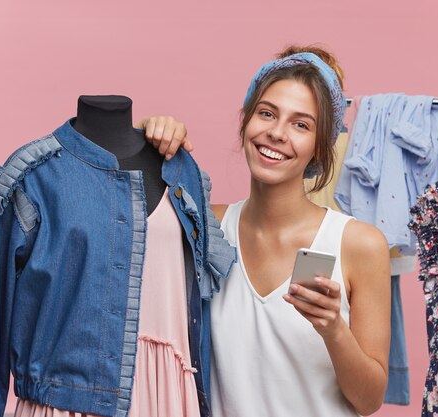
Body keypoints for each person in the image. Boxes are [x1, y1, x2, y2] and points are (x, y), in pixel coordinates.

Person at [138, 45, 391, 416]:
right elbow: (125, 226)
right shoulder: (206, 228)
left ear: (320, 149)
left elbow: (369, 401)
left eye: (301, 124)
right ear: (246, 122)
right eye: (267, 114)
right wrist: (146, 142)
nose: (276, 133)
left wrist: (334, 329)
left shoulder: (359, 245)